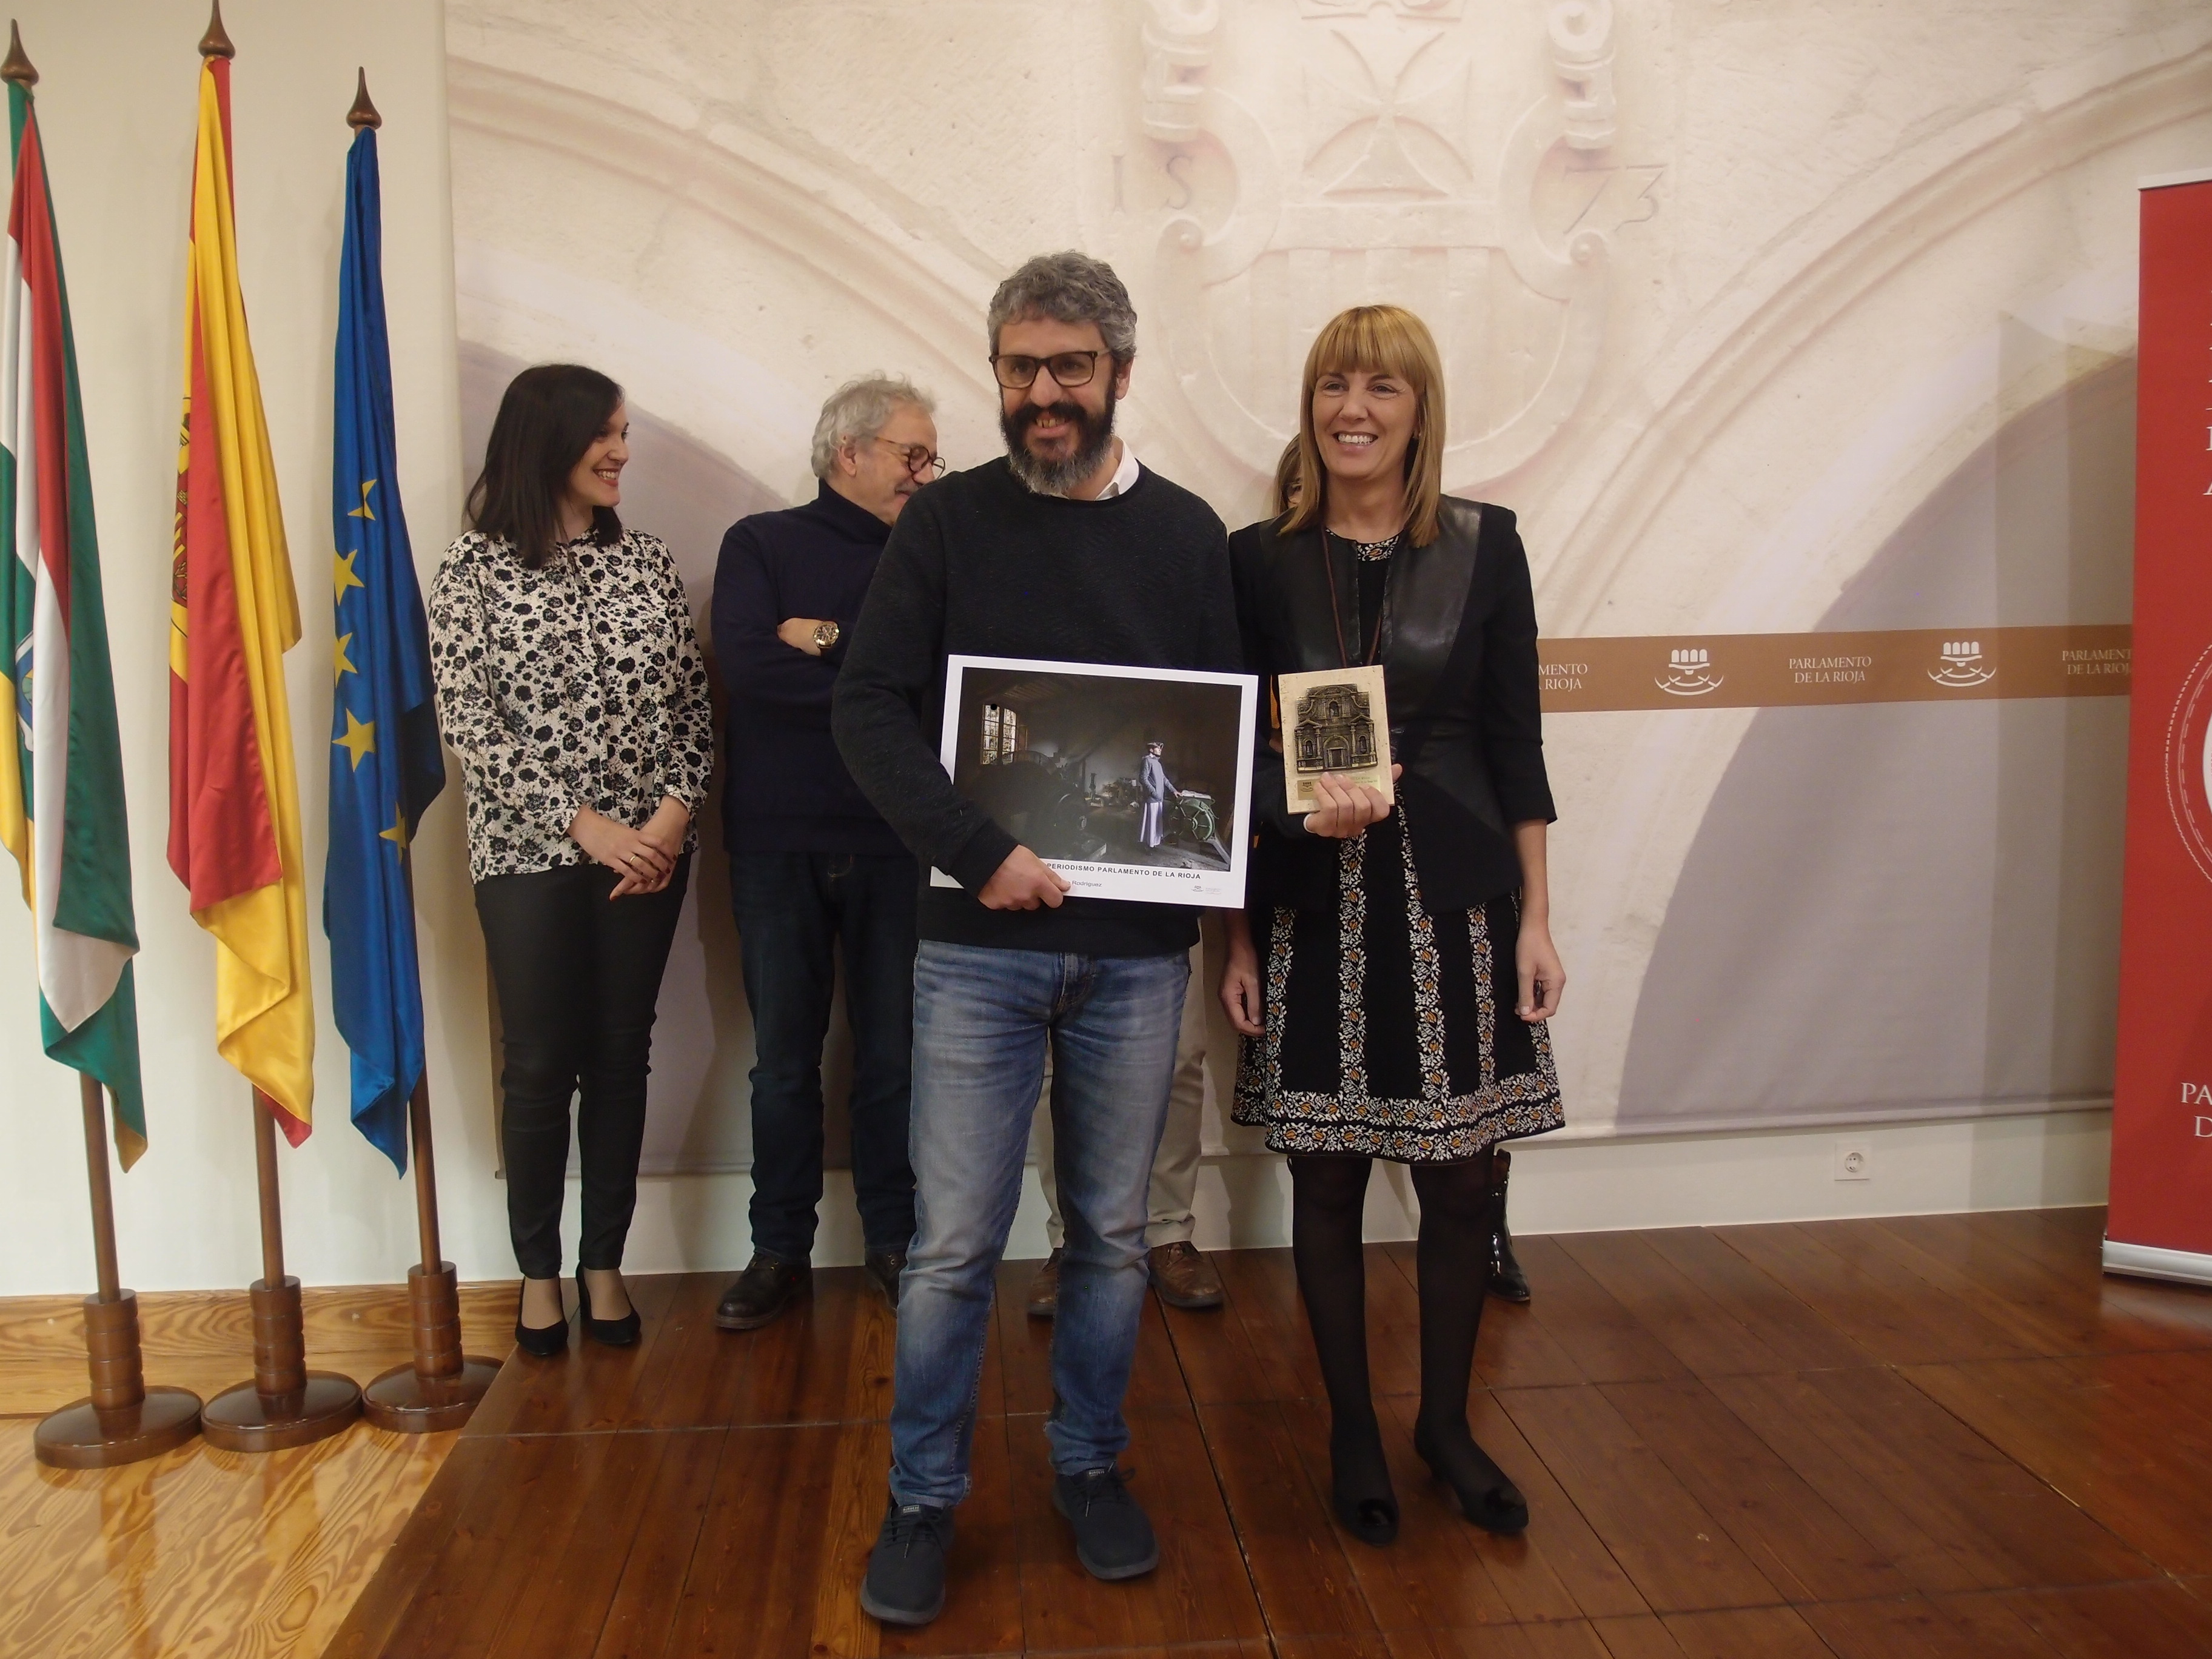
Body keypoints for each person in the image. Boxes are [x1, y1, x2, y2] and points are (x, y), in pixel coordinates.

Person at [833, 250, 1240, 1626]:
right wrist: (981, 852)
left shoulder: (1191, 538)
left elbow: (1225, 739)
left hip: (1137, 957)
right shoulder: (942, 525)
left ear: (1120, 370)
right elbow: (867, 710)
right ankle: (925, 1494)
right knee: (954, 1243)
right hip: (975, 944)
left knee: (1112, 1240)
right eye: (1019, 366)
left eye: (1069, 365)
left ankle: (1088, 1462)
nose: (1043, 391)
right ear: (997, 373)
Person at [1220, 305, 1565, 1547]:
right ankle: (1355, 1428)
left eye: (1380, 388)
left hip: (1456, 904)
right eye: (1332, 386)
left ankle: (1448, 1427)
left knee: (1462, 1179)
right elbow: (1237, 759)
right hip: (1314, 902)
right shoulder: (1258, 559)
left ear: (1421, 410)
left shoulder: (1488, 547)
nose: (1352, 409)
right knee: (1324, 1176)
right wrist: (1241, 939)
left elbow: (1517, 740)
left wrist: (1539, 916)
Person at [428, 364, 714, 1358]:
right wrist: (581, 824)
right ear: (546, 441)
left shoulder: (647, 562)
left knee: (621, 1056)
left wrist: (673, 819)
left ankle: (605, 1265)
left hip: (646, 859)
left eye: (625, 432)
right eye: (606, 433)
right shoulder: (472, 570)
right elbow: (469, 721)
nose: (622, 451)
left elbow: (690, 703)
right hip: (527, 854)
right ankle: (538, 1277)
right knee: (541, 1063)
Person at [709, 377, 940, 1331]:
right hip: (778, 843)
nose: (927, 475)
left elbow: (942, 689)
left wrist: (831, 642)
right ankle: (779, 1251)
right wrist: (876, 687)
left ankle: (894, 1242)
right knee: (783, 1065)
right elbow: (750, 670)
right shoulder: (760, 543)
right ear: (850, 453)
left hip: (900, 840)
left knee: (896, 1059)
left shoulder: (933, 557)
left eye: (932, 460)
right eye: (912, 457)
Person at [1025, 950, 1222, 1316]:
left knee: (1178, 1054)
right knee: (1052, 1060)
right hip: (1054, 902)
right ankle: (1071, 1238)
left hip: (1167, 900)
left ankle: (1169, 1232)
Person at [1138, 740, 1177, 850]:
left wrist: (1174, 791)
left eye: (1160, 749)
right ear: (1151, 750)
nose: (1160, 750)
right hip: (1152, 798)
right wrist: (1154, 793)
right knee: (1150, 823)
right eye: (1158, 748)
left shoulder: (1158, 763)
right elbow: (1143, 779)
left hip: (1159, 798)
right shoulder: (1147, 761)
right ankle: (1146, 845)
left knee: (1156, 823)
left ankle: (1153, 844)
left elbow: (1164, 779)